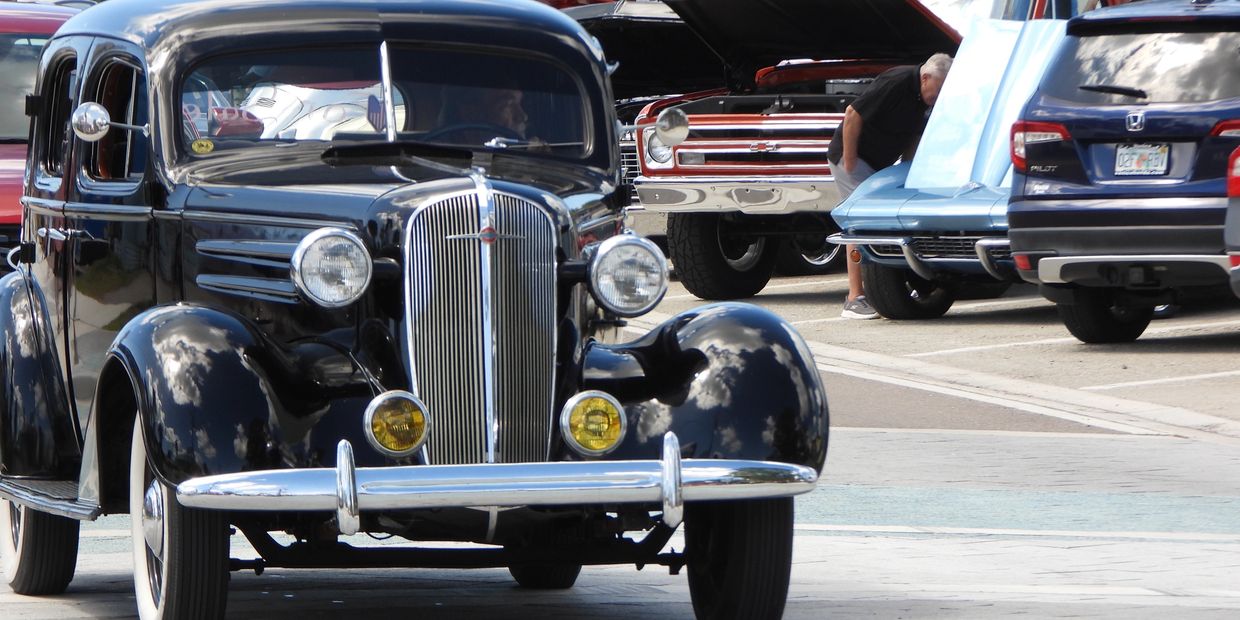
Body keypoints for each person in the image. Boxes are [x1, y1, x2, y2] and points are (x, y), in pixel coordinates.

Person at [827, 53, 953, 319]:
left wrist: (909, 174)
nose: (939, 96)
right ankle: (854, 298)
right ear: (926, 77)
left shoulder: (923, 98)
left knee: (888, 222)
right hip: (854, 158)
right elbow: (852, 115)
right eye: (938, 89)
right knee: (859, 226)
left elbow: (913, 136)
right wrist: (850, 160)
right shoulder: (895, 82)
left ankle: (902, 286)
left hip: (879, 163)